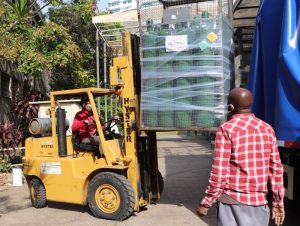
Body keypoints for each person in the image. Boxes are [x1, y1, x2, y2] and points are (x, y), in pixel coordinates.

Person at [196, 88, 285, 226]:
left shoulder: (226, 129)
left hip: (232, 203)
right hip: (260, 204)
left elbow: (219, 173)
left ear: (230, 107)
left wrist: (206, 202)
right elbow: (276, 170)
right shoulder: (267, 129)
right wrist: (278, 203)